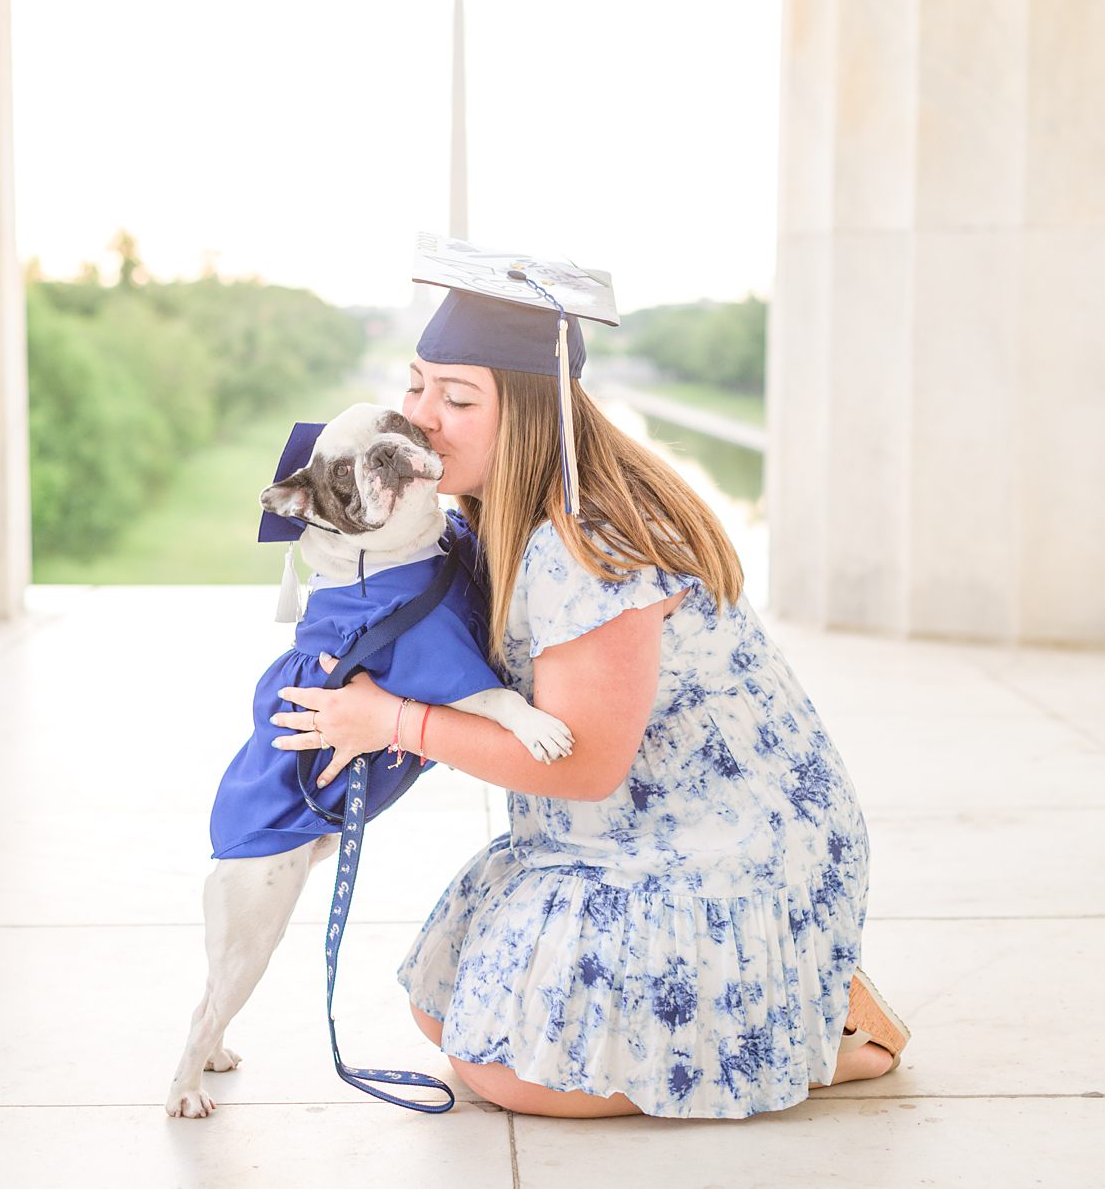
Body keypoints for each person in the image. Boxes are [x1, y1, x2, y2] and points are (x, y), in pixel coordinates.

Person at [270, 242, 908, 1119]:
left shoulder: (586, 544)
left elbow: (584, 763)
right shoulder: (495, 508)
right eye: (415, 384)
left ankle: (814, 1026)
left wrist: (391, 722)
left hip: (719, 851)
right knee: (439, 1011)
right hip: (610, 833)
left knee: (504, 1077)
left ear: (534, 417)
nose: (420, 416)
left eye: (457, 399)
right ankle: (771, 1003)